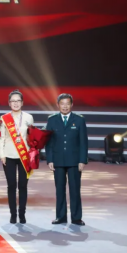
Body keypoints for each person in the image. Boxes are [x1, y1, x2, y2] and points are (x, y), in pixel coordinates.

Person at [45, 93, 88, 226]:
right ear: (58, 105)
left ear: (71, 105)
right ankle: (60, 216)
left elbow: (83, 142)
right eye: (62, 104)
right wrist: (50, 159)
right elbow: (49, 142)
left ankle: (76, 217)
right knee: (60, 190)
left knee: (75, 189)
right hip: (57, 160)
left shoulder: (79, 120)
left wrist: (82, 160)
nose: (65, 106)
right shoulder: (52, 120)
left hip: (74, 161)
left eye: (67, 104)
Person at [0, 89, 34, 224]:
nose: (16, 103)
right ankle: (13, 214)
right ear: (9, 103)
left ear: (22, 102)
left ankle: (22, 214)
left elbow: (32, 138)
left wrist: (32, 153)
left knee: (23, 185)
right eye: (13, 101)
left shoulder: (28, 118)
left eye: (18, 101)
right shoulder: (4, 118)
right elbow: (1, 138)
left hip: (24, 156)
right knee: (11, 185)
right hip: (9, 155)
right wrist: (1, 155)